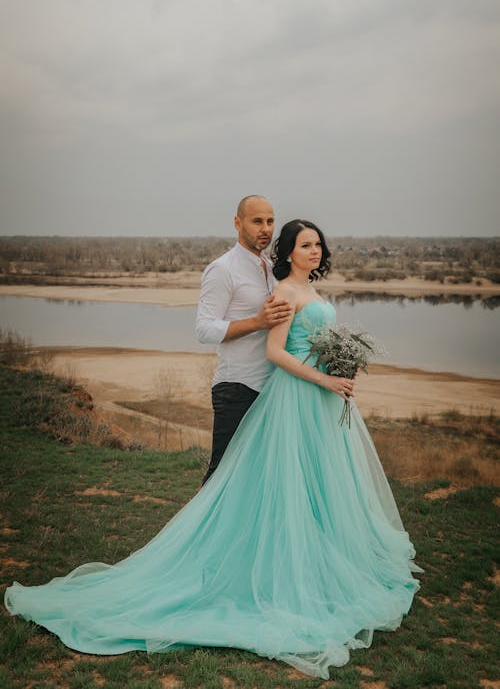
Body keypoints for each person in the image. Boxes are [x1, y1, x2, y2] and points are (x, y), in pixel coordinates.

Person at [4, 219, 421, 680]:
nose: (315, 251)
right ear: (288, 252)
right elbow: (277, 353)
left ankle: (315, 563)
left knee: (318, 486)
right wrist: (325, 377)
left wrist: (341, 366)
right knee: (275, 484)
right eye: (306, 245)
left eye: (318, 244)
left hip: (320, 400)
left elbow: (311, 345)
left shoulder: (308, 290)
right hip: (298, 398)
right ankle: (251, 572)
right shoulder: (283, 291)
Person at [196, 195, 291, 483]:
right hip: (237, 388)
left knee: (258, 480)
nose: (265, 228)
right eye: (257, 221)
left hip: (272, 389)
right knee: (221, 479)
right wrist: (256, 322)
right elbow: (204, 329)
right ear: (238, 223)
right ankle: (204, 529)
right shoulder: (222, 269)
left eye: (270, 221)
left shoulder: (273, 269)